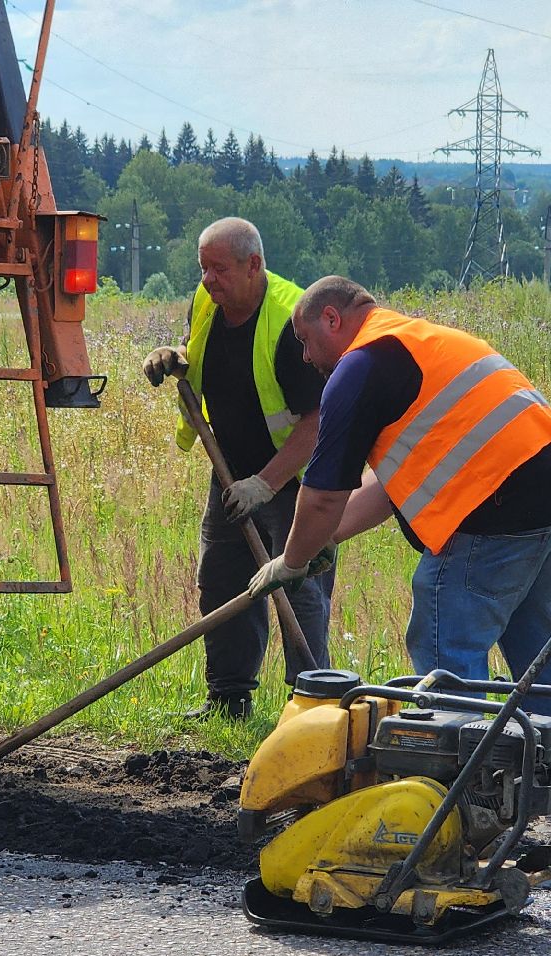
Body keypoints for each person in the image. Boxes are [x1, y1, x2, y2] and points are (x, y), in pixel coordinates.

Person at [249, 276, 551, 774]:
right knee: (541, 650)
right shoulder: (418, 343)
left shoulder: (360, 365)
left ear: (332, 319)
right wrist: (325, 540)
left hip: (494, 506)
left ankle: (466, 791)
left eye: (305, 341)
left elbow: (322, 495)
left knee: (445, 646)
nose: (306, 358)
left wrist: (293, 560)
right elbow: (388, 488)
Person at [142, 218, 330, 722]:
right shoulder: (208, 302)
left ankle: (309, 708)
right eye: (203, 268)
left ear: (254, 266)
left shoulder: (291, 322)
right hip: (228, 467)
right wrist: (175, 359)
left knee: (299, 585)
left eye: (218, 269)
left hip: (293, 478)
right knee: (222, 579)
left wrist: (266, 484)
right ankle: (228, 699)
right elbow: (203, 353)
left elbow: (318, 422)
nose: (207, 280)